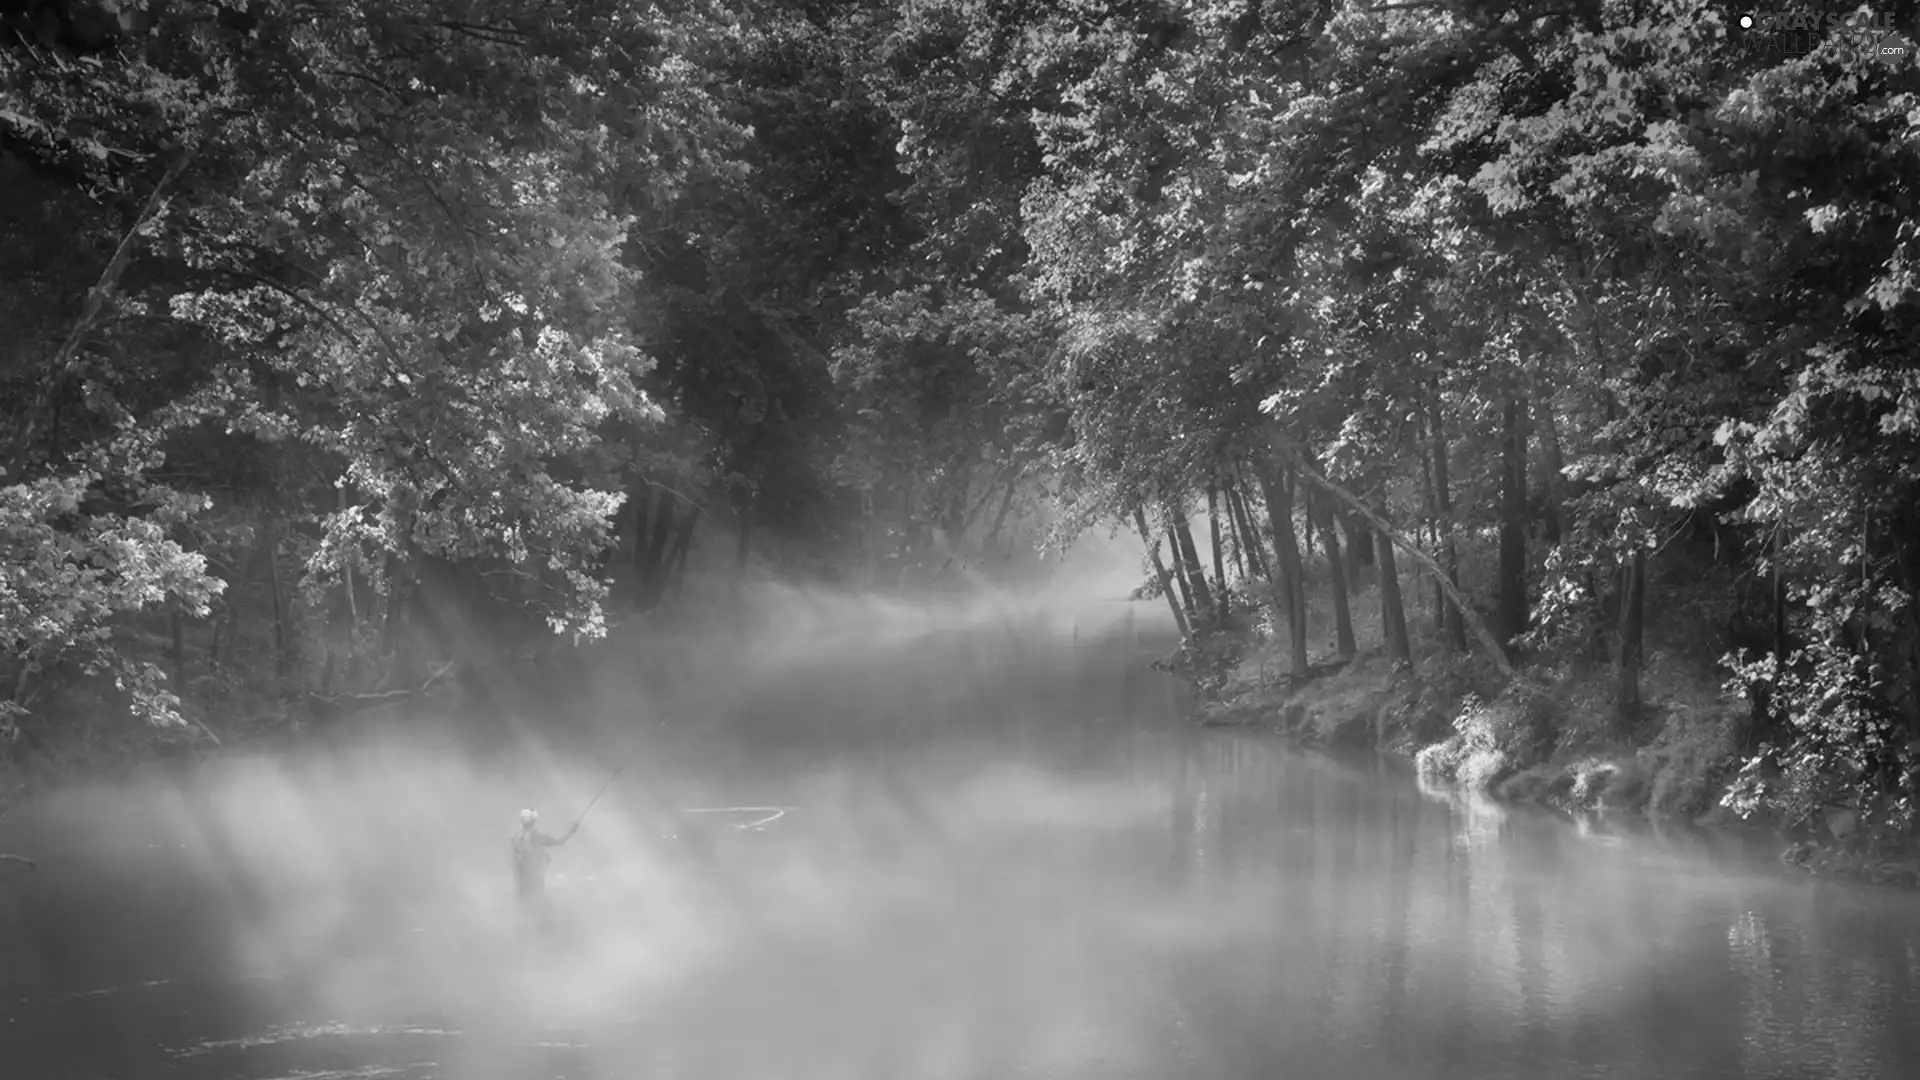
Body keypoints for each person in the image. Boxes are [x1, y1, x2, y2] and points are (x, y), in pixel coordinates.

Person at [511, 808, 577, 908]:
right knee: (537, 903)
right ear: (533, 822)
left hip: (521, 875)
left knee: (523, 902)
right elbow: (559, 842)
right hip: (533, 876)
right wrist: (572, 831)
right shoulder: (535, 837)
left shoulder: (516, 836)